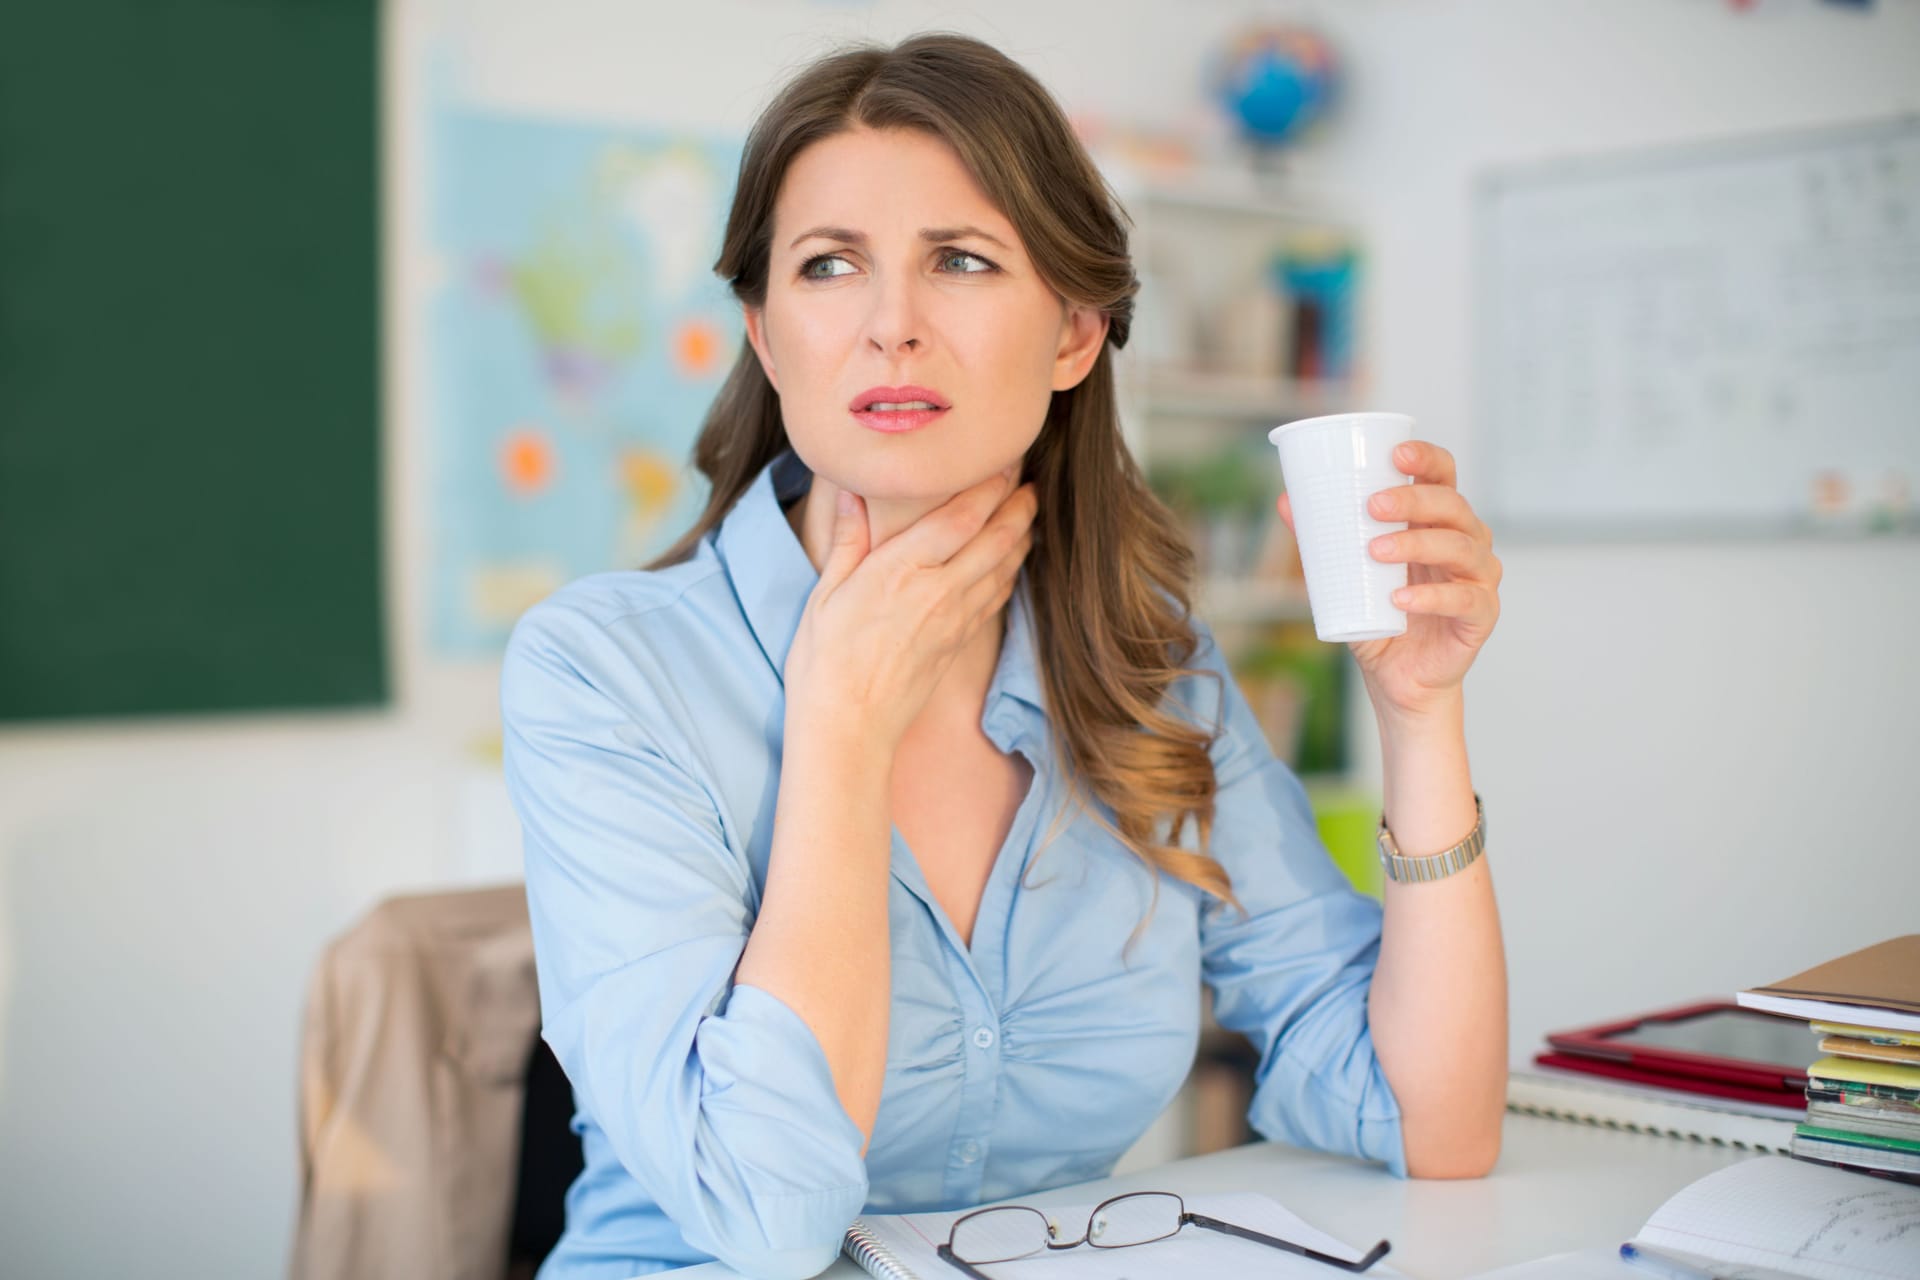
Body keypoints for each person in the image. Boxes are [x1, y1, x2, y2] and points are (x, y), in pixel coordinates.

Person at [500, 30, 1507, 1280]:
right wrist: (842, 726)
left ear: (1077, 332)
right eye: (828, 268)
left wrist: (1419, 714)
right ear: (764, 332)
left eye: (962, 261)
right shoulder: (603, 670)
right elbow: (769, 1218)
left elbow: (1434, 1122)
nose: (890, 327)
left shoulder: (1153, 671)